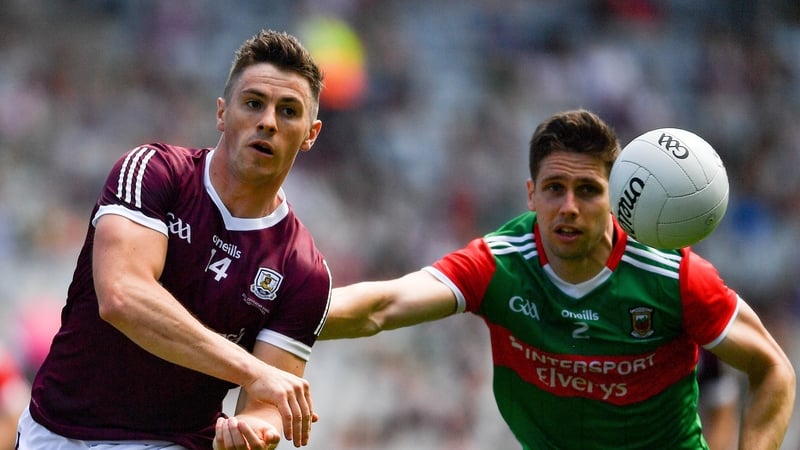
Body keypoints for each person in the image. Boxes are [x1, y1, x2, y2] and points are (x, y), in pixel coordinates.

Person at [319, 109, 796, 449]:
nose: (569, 207)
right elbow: (383, 305)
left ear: (615, 198)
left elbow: (773, 369)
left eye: (587, 190)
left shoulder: (675, 277)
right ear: (531, 195)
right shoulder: (500, 264)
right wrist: (285, 309)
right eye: (554, 189)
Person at [16, 29, 331, 450]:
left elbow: (267, 403)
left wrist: (252, 433)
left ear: (310, 133)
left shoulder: (304, 270)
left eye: (288, 111)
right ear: (222, 113)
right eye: (254, 103)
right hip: (58, 432)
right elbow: (122, 296)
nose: (268, 122)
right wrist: (253, 371)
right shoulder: (153, 171)